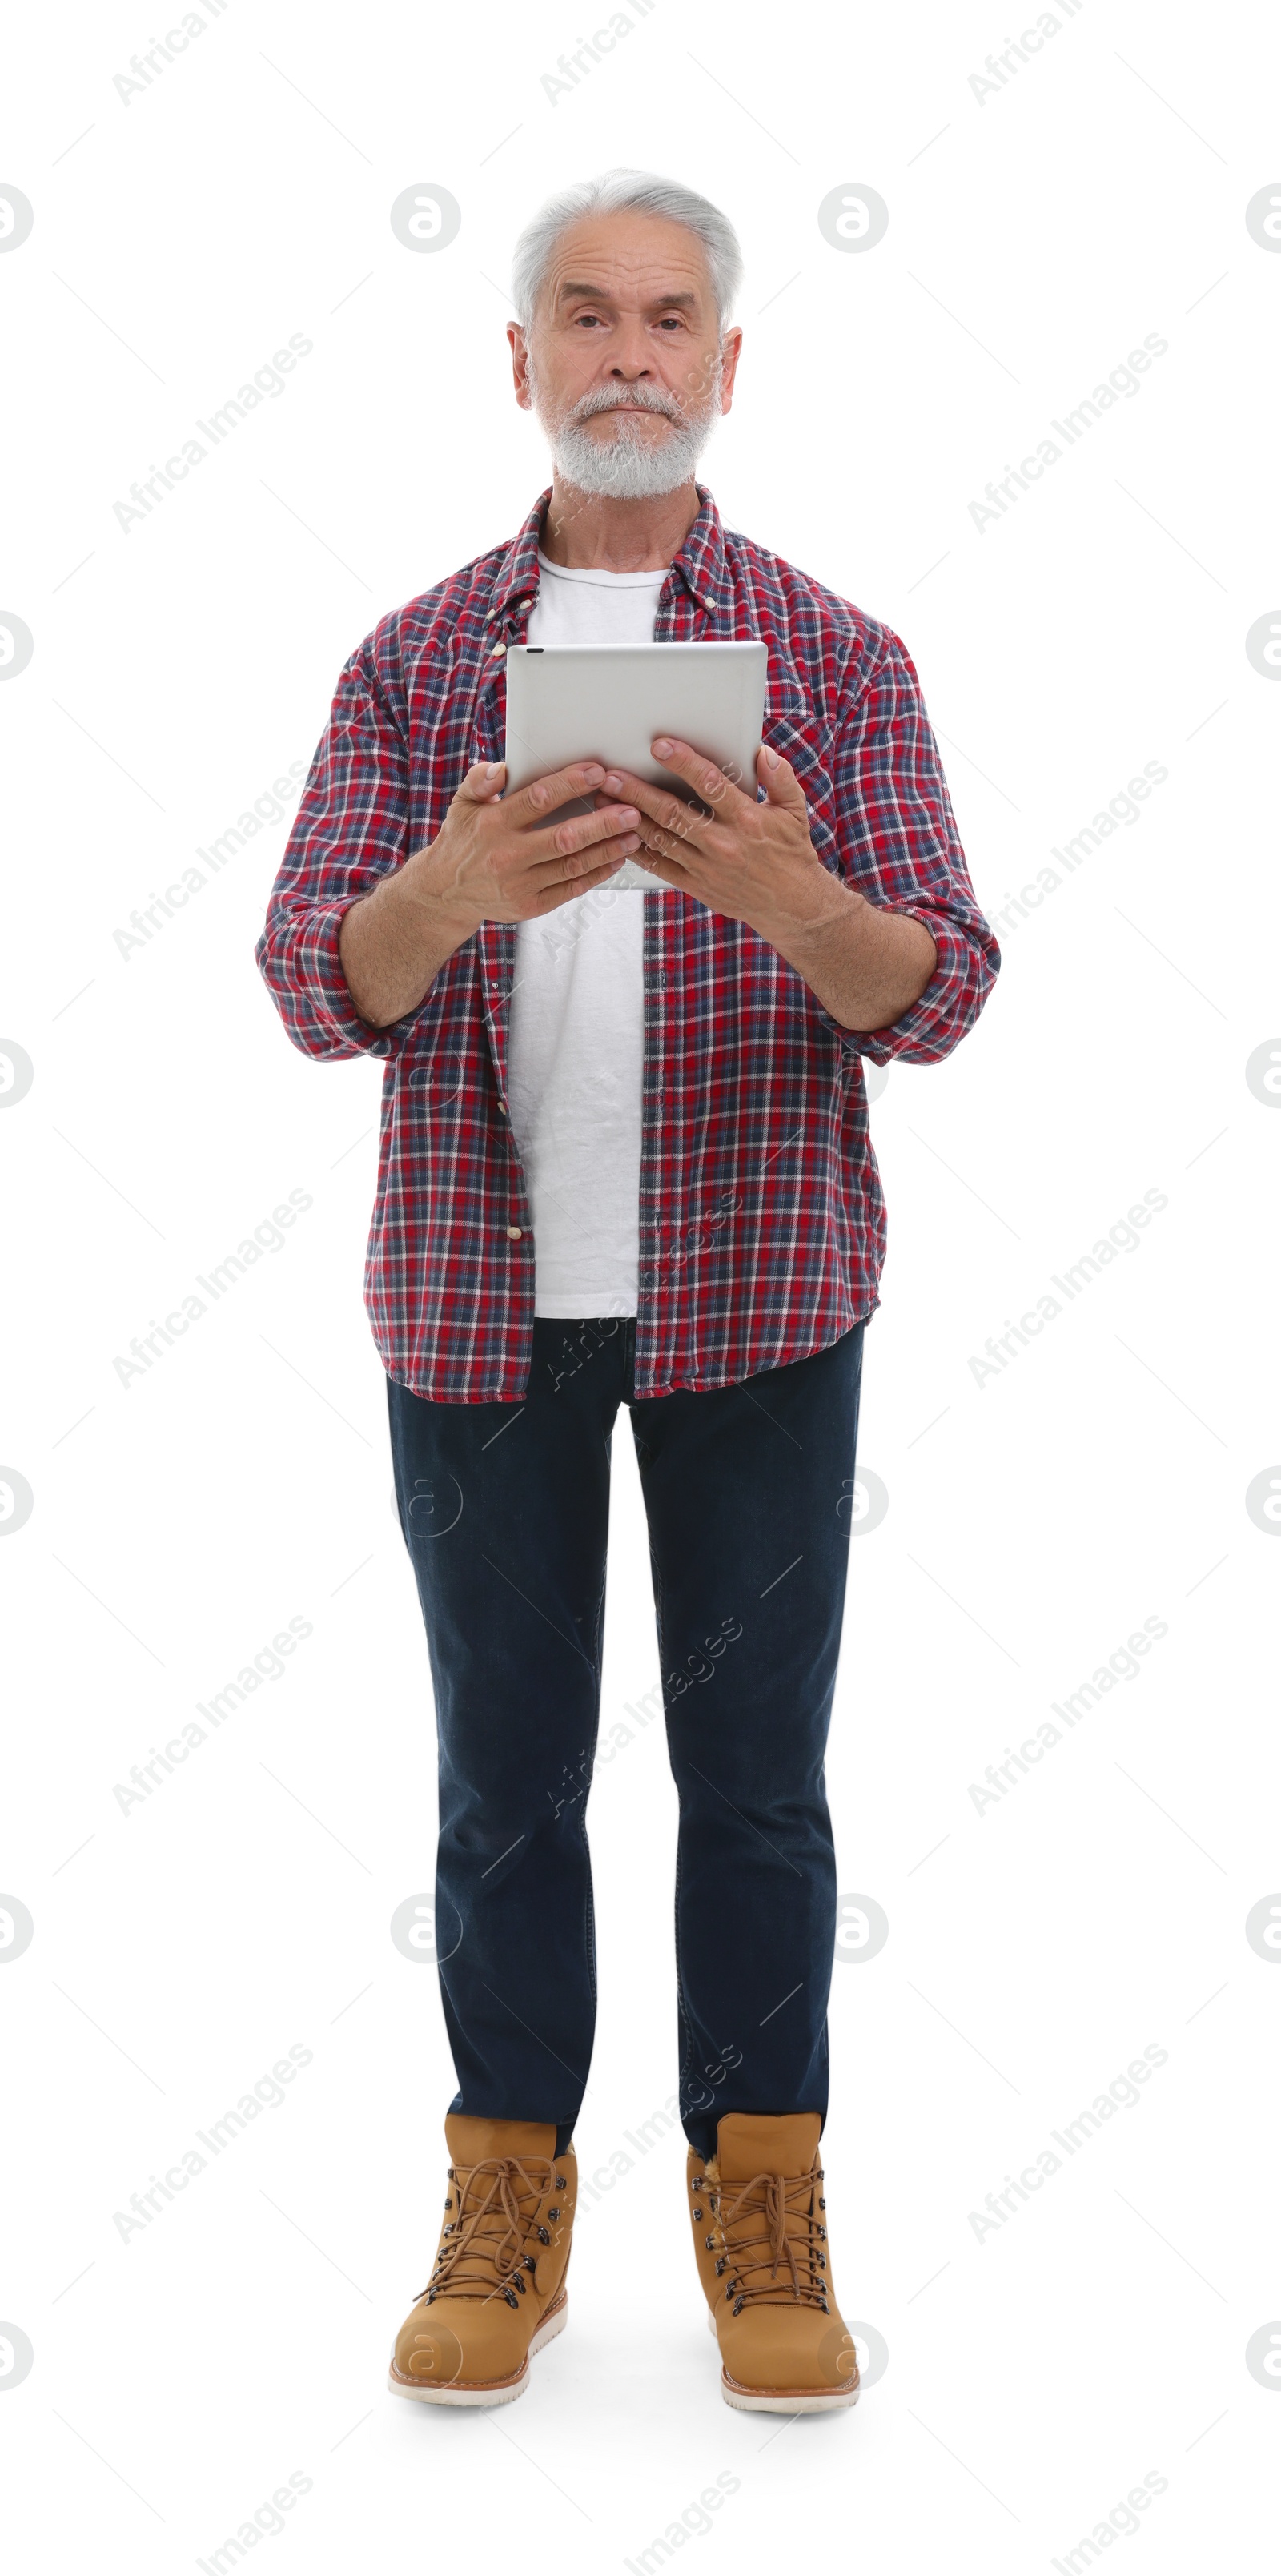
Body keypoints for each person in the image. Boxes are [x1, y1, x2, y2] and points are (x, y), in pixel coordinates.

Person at [255, 166, 1000, 2414]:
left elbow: (941, 989)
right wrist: (448, 884)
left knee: (757, 1781)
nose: (628, 357)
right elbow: (313, 981)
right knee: (505, 1782)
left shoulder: (843, 658)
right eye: (583, 317)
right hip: (483, 1309)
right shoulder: (412, 659)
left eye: (671, 320)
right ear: (519, 361)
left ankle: (762, 2195)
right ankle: (508, 2191)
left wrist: (788, 889)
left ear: (730, 365)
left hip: (763, 1296)